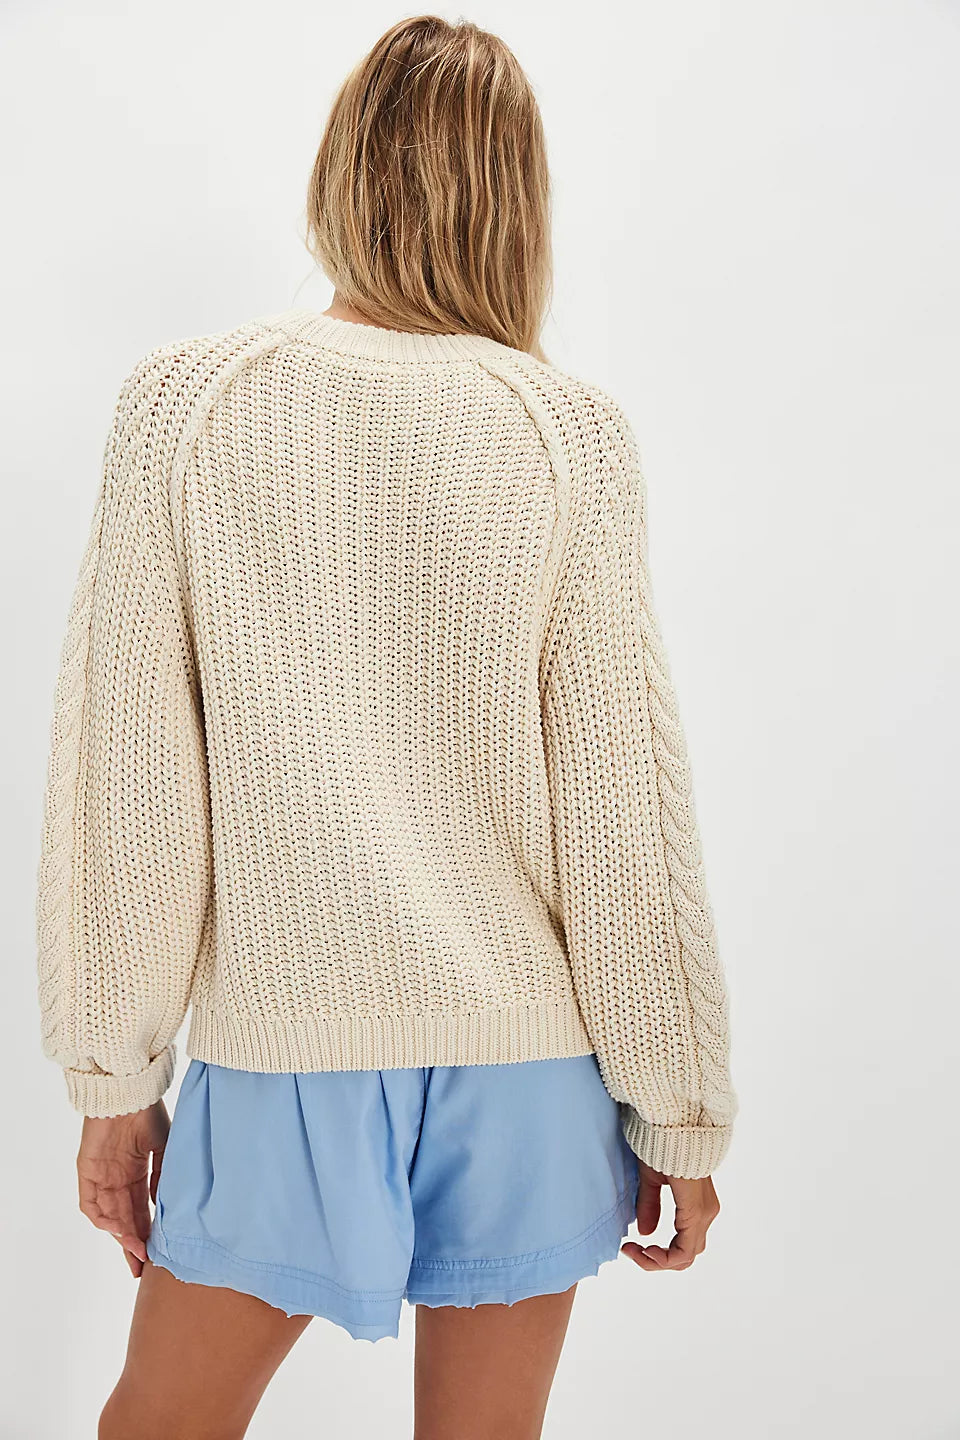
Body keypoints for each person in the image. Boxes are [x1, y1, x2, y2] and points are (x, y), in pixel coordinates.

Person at [34, 15, 738, 1439]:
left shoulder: (190, 406)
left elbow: (134, 778)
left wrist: (115, 1078)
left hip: (289, 1047)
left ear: (342, 170)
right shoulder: (566, 433)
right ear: (520, 198)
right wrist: (678, 1107)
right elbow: (624, 815)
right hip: (533, 1066)